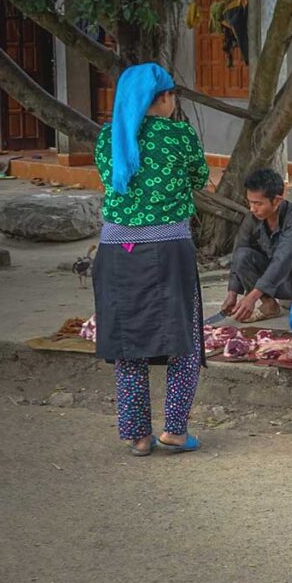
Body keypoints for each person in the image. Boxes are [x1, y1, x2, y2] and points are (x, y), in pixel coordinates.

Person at [93, 62, 209, 456]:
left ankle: (138, 436)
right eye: (172, 95)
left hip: (116, 253)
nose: (174, 102)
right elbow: (198, 178)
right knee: (184, 339)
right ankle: (174, 431)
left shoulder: (108, 137)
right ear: (162, 98)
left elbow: (112, 182)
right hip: (168, 250)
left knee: (129, 344)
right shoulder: (178, 134)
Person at [224, 168, 292, 322]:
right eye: (250, 202)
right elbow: (240, 253)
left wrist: (252, 297)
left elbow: (283, 259)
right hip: (274, 282)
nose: (253, 208)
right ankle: (269, 305)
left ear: (277, 200)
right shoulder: (252, 219)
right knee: (242, 255)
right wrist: (232, 294)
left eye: (258, 203)